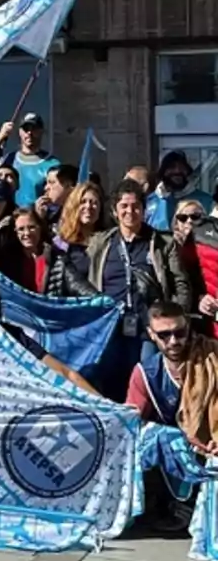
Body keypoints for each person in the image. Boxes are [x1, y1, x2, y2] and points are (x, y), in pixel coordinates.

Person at [87, 179, 191, 399]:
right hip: (111, 328)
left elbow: (180, 283)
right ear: (115, 211)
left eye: (136, 206)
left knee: (148, 383)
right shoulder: (100, 243)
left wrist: (176, 320)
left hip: (149, 328)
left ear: (144, 210)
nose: (130, 211)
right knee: (111, 382)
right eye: (124, 206)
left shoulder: (163, 243)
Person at [126, 301, 218, 530]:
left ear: (188, 327)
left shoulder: (213, 356)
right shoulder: (145, 373)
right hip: (179, 455)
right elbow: (129, 423)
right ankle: (166, 505)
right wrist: (176, 436)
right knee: (157, 438)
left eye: (179, 332)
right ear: (151, 334)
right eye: (164, 335)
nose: (174, 341)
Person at [43, 182, 103, 298]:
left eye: (94, 202)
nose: (88, 207)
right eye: (83, 202)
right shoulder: (60, 243)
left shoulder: (108, 241)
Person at [0, 113, 59, 209]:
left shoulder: (52, 164)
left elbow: (56, 202)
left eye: (34, 129)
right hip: (9, 219)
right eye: (26, 129)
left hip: (36, 220)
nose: (29, 133)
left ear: (41, 131)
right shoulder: (7, 160)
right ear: (19, 132)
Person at [146, 150, 213, 232]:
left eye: (182, 167)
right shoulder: (150, 201)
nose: (177, 171)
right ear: (162, 171)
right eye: (171, 167)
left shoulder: (207, 201)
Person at [35, 163, 78, 229]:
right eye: (46, 183)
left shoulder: (82, 213)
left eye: (52, 182)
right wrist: (40, 218)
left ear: (69, 185)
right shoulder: (49, 214)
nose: (46, 188)